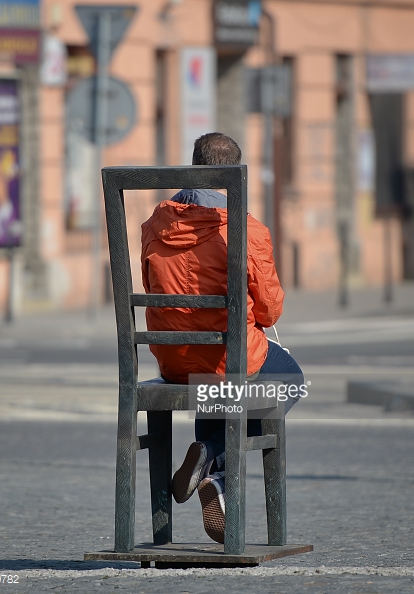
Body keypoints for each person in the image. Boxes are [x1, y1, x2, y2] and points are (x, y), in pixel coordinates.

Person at [141, 132, 304, 543]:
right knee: (290, 379)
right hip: (228, 359)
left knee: (213, 378)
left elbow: (150, 291)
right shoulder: (245, 228)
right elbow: (269, 310)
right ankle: (217, 463)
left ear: (193, 167)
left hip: (173, 360)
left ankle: (210, 459)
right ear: (236, 173)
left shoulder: (155, 223)